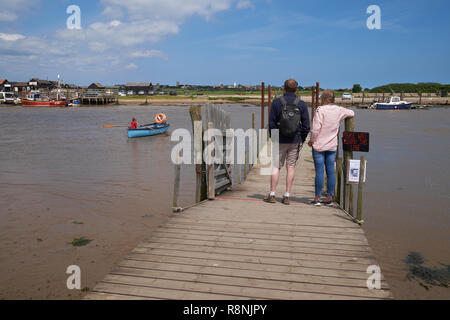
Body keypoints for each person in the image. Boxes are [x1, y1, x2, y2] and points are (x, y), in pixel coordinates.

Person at [264, 79, 310, 205]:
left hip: (279, 139)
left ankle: (272, 194)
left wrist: (273, 139)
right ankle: (287, 195)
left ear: (284, 88)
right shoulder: (302, 104)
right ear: (296, 89)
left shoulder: (277, 102)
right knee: (291, 167)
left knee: (276, 166)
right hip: (295, 140)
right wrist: (302, 139)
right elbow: (306, 126)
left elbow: (272, 123)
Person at [308, 89, 355, 206]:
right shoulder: (339, 110)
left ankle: (317, 198)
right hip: (332, 146)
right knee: (330, 172)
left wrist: (311, 141)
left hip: (319, 145)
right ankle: (329, 197)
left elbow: (315, 129)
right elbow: (352, 113)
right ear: (333, 99)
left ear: (323, 98)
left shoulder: (320, 110)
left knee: (319, 172)